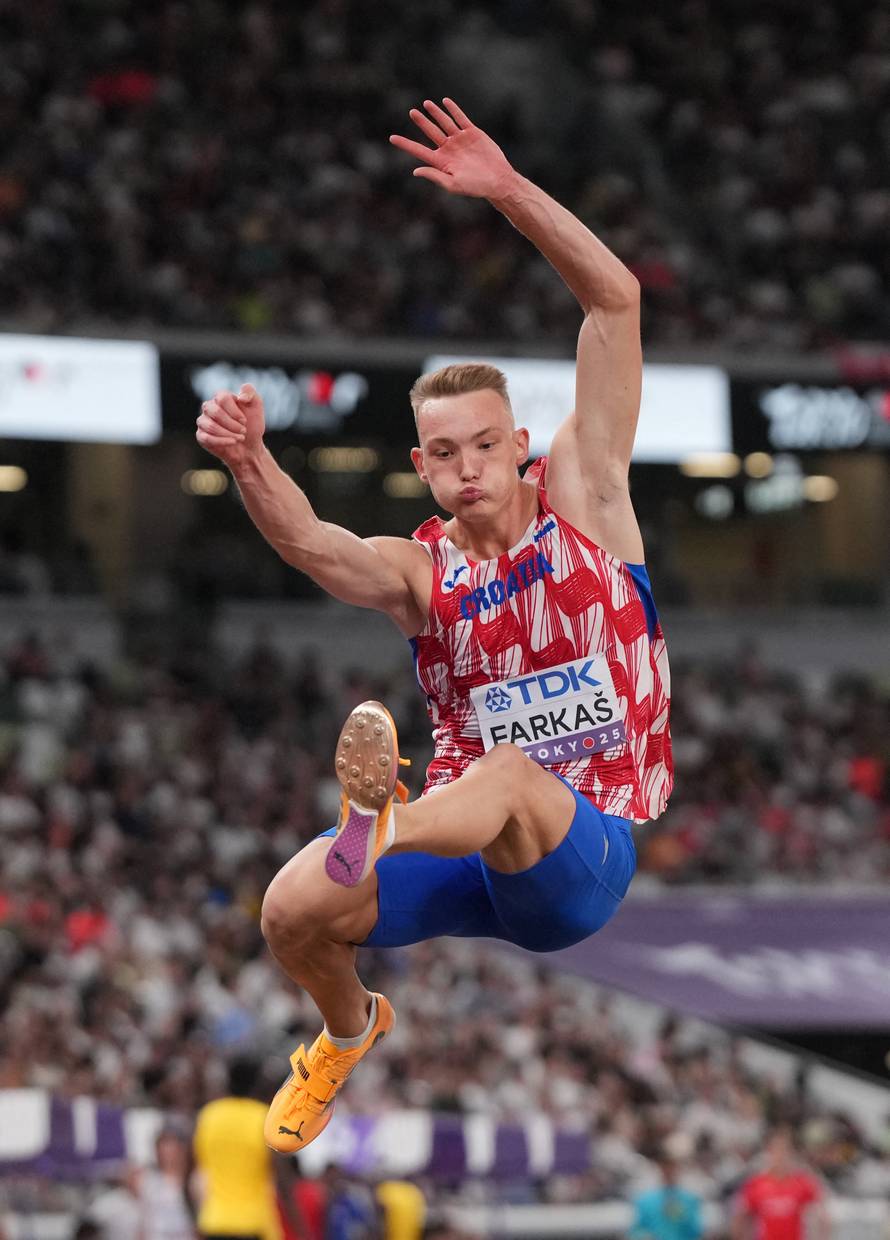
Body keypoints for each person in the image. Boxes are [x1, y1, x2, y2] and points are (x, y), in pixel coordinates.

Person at [196, 96, 672, 1153]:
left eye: (482, 446)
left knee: (499, 776)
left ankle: (376, 824)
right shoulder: (423, 572)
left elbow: (615, 305)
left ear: (514, 444)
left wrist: (507, 192)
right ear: (420, 464)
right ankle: (346, 1026)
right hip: (456, 848)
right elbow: (315, 546)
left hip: (575, 855)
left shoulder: (583, 494)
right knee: (286, 912)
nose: (465, 468)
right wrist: (247, 462)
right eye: (441, 453)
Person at [192, 1056, 305, 1240]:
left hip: (214, 1223)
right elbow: (283, 1185)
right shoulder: (264, 1118)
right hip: (253, 1225)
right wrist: (302, 1231)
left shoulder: (209, 1116)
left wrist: (197, 1220)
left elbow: (193, 1171)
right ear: (257, 1085)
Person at [733, 1127, 830, 1240]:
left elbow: (823, 1216)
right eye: (776, 1150)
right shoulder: (756, 1184)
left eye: (785, 1151)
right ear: (769, 1152)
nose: (780, 1156)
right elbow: (740, 1218)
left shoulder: (802, 1182)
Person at [629, 1153, 704, 1240]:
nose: (669, 1171)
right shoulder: (645, 1201)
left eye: (672, 1167)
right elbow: (636, 1230)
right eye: (665, 1167)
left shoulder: (690, 1200)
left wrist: (683, 1216)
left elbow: (696, 1231)